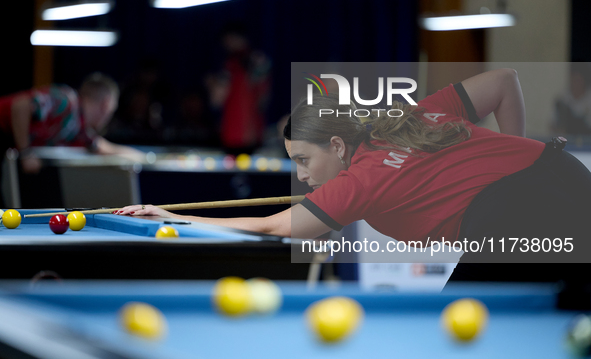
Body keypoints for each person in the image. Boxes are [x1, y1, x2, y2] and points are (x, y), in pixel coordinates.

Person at [115, 69, 591, 282]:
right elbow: (505, 80)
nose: (301, 175)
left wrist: (170, 216)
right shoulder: (410, 118)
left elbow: (275, 226)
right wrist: (517, 152)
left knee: (465, 326)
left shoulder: (359, 180)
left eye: (304, 160)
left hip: (511, 218)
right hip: (565, 175)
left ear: (338, 146)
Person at [0, 72, 143, 206]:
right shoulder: (65, 100)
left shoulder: (80, 129)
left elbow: (105, 148)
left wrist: (146, 158)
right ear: (106, 104)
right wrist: (26, 152)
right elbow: (20, 105)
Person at [205, 21, 271, 155]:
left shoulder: (257, 61)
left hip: (250, 136)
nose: (227, 44)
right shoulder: (228, 65)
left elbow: (263, 99)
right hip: (232, 136)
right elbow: (216, 101)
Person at [552, 62, 591, 135]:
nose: (576, 84)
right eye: (574, 80)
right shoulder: (562, 100)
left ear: (584, 81)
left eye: (579, 80)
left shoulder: (589, 100)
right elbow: (552, 125)